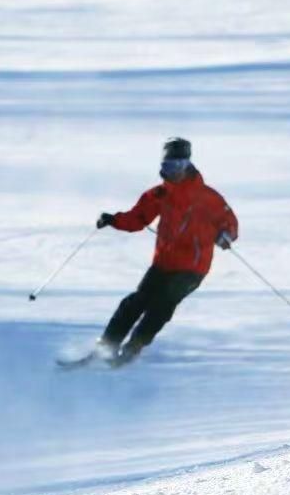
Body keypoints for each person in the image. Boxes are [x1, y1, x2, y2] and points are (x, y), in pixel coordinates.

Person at [93, 137, 239, 362]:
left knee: (162, 305)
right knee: (136, 301)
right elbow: (137, 219)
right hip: (163, 263)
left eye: (178, 166)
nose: (174, 172)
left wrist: (225, 235)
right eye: (168, 166)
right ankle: (107, 346)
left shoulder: (208, 197)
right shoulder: (160, 194)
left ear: (188, 164)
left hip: (192, 268)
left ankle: (132, 348)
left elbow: (229, 222)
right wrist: (113, 220)